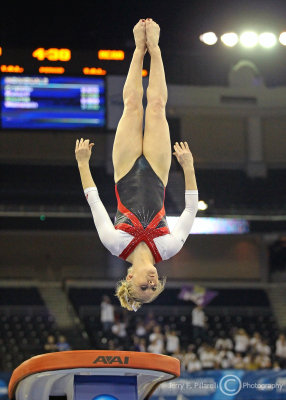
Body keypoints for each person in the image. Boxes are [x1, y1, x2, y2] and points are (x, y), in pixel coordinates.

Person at [75, 18, 198, 311]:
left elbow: (95, 202)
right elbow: (191, 209)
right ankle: (154, 48)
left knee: (132, 105)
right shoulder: (168, 247)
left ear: (129, 277)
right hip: (157, 171)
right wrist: (189, 167)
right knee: (155, 108)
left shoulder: (115, 244)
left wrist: (83, 163)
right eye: (155, 287)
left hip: (125, 168)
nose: (152, 282)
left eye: (144, 286)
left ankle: (137, 49)